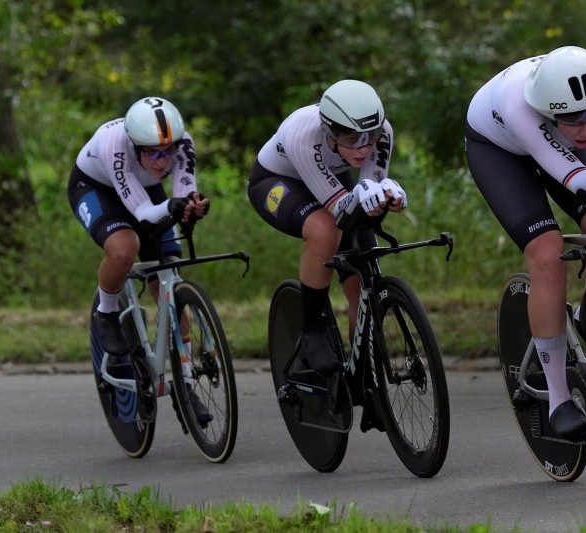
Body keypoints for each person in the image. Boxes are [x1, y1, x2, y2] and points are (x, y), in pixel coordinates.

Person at [464, 46, 586, 442]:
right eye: (572, 119)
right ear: (551, 110)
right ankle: (558, 400)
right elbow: (577, 180)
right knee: (548, 255)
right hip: (499, 149)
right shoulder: (521, 106)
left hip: (549, 140)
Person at [247, 79, 406, 381]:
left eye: (369, 137)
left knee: (364, 280)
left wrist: (388, 197)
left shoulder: (382, 131)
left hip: (332, 177)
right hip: (277, 180)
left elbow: (367, 188)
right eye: (349, 138)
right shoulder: (304, 134)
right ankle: (312, 329)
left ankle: (365, 379)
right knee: (325, 231)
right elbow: (341, 210)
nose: (362, 148)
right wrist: (363, 200)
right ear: (329, 131)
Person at [68, 96, 212, 425]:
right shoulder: (115, 145)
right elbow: (144, 213)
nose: (162, 161)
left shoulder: (183, 145)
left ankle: (185, 383)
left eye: (168, 151)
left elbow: (183, 191)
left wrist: (192, 208)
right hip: (96, 188)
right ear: (135, 146)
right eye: (152, 152)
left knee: (170, 281)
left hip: (146, 193)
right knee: (124, 248)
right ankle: (107, 311)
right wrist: (173, 207)